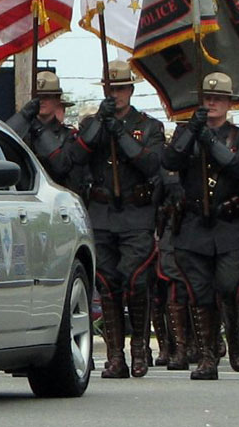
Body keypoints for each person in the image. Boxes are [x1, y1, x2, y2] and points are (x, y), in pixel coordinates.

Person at [70, 60, 165, 378]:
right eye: (112, 89)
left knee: (136, 281)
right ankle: (114, 356)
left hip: (136, 214)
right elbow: (77, 157)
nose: (117, 94)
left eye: (122, 88)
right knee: (107, 284)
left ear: (131, 90)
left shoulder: (149, 126)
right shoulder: (91, 123)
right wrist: (100, 120)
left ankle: (139, 349)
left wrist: (120, 133)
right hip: (102, 214)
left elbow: (151, 165)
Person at [162, 72, 239, 380]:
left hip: (230, 225)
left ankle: (236, 339)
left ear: (229, 102)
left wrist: (211, 141)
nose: (212, 102)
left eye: (218, 98)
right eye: (207, 98)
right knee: (199, 293)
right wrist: (193, 131)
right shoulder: (185, 132)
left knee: (229, 286)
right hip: (194, 226)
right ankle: (207, 355)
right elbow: (171, 160)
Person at [6, 71, 80, 187]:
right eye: (38, 96)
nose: (41, 101)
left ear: (57, 100)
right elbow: (2, 140)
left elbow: (62, 166)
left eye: (47, 96)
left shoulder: (68, 135)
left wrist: (39, 129)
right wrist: (24, 116)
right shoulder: (23, 131)